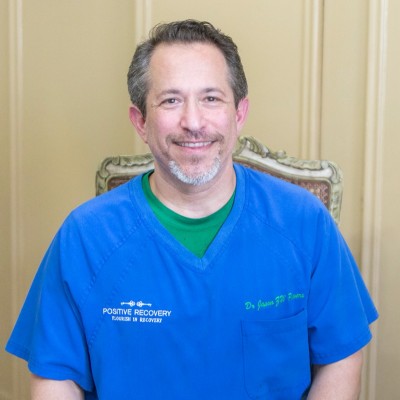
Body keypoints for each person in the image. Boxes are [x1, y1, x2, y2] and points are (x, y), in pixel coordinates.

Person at [6, 19, 378, 400]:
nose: (194, 122)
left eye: (211, 98)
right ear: (141, 122)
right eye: (170, 100)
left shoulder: (304, 222)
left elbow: (340, 356)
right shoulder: (85, 237)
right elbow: (55, 377)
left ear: (239, 114)